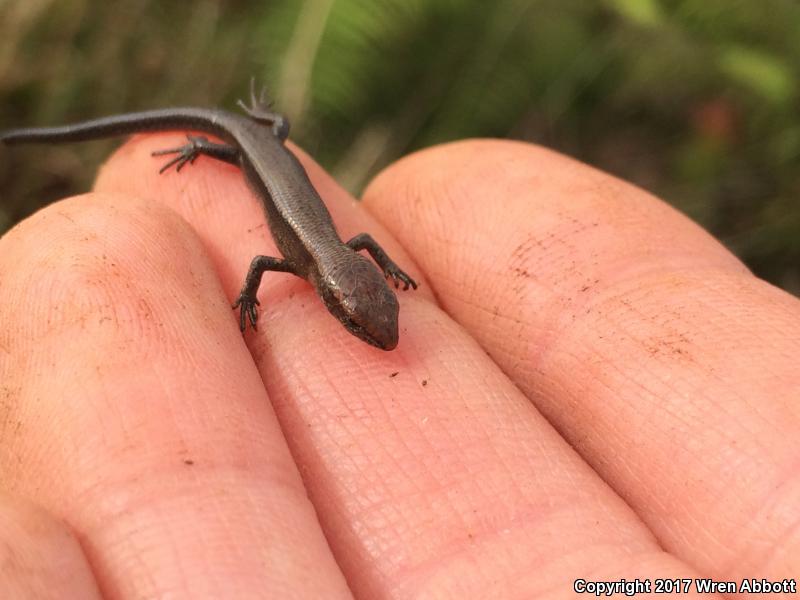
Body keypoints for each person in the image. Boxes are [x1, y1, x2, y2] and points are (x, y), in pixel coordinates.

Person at [0, 135, 797, 598]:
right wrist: (243, 296)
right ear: (334, 293)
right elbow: (257, 261)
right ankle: (221, 136)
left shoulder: (340, 262)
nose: (375, 329)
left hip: (274, 158)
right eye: (362, 316)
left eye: (373, 310)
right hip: (249, 151)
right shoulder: (303, 265)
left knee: (267, 149)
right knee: (239, 148)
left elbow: (363, 250)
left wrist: (398, 281)